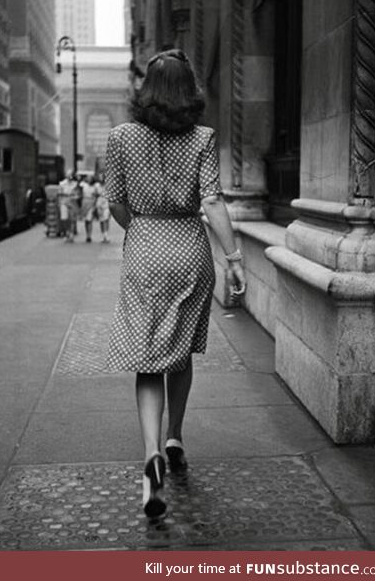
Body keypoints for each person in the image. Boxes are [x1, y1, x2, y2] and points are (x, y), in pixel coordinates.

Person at [104, 49, 247, 519]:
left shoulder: (122, 137)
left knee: (147, 356)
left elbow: (116, 204)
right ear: (190, 91)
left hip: (145, 247)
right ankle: (175, 436)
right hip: (189, 249)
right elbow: (212, 200)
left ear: (147, 89)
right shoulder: (203, 137)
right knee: (179, 351)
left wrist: (143, 229)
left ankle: (151, 454)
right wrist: (234, 256)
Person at [58, 169, 79, 241]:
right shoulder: (61, 183)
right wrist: (59, 203)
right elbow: (59, 194)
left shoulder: (75, 184)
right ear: (65, 175)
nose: (69, 176)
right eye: (68, 174)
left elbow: (77, 194)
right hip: (64, 202)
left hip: (72, 202)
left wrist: (75, 197)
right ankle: (67, 231)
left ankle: (71, 233)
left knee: (72, 219)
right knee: (64, 218)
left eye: (71, 174)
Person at [79, 174, 98, 243]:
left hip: (91, 202)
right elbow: (79, 187)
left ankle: (89, 235)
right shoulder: (83, 185)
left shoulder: (95, 186)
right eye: (88, 178)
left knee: (89, 219)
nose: (89, 179)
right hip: (84, 203)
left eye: (90, 178)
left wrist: (95, 205)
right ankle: (87, 234)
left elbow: (96, 196)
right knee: (86, 220)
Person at [95, 173, 110, 243]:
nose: (101, 179)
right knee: (101, 220)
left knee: (106, 218)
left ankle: (106, 234)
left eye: (102, 177)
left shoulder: (108, 185)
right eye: (99, 177)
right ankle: (102, 234)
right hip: (99, 202)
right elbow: (95, 194)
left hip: (106, 202)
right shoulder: (97, 186)